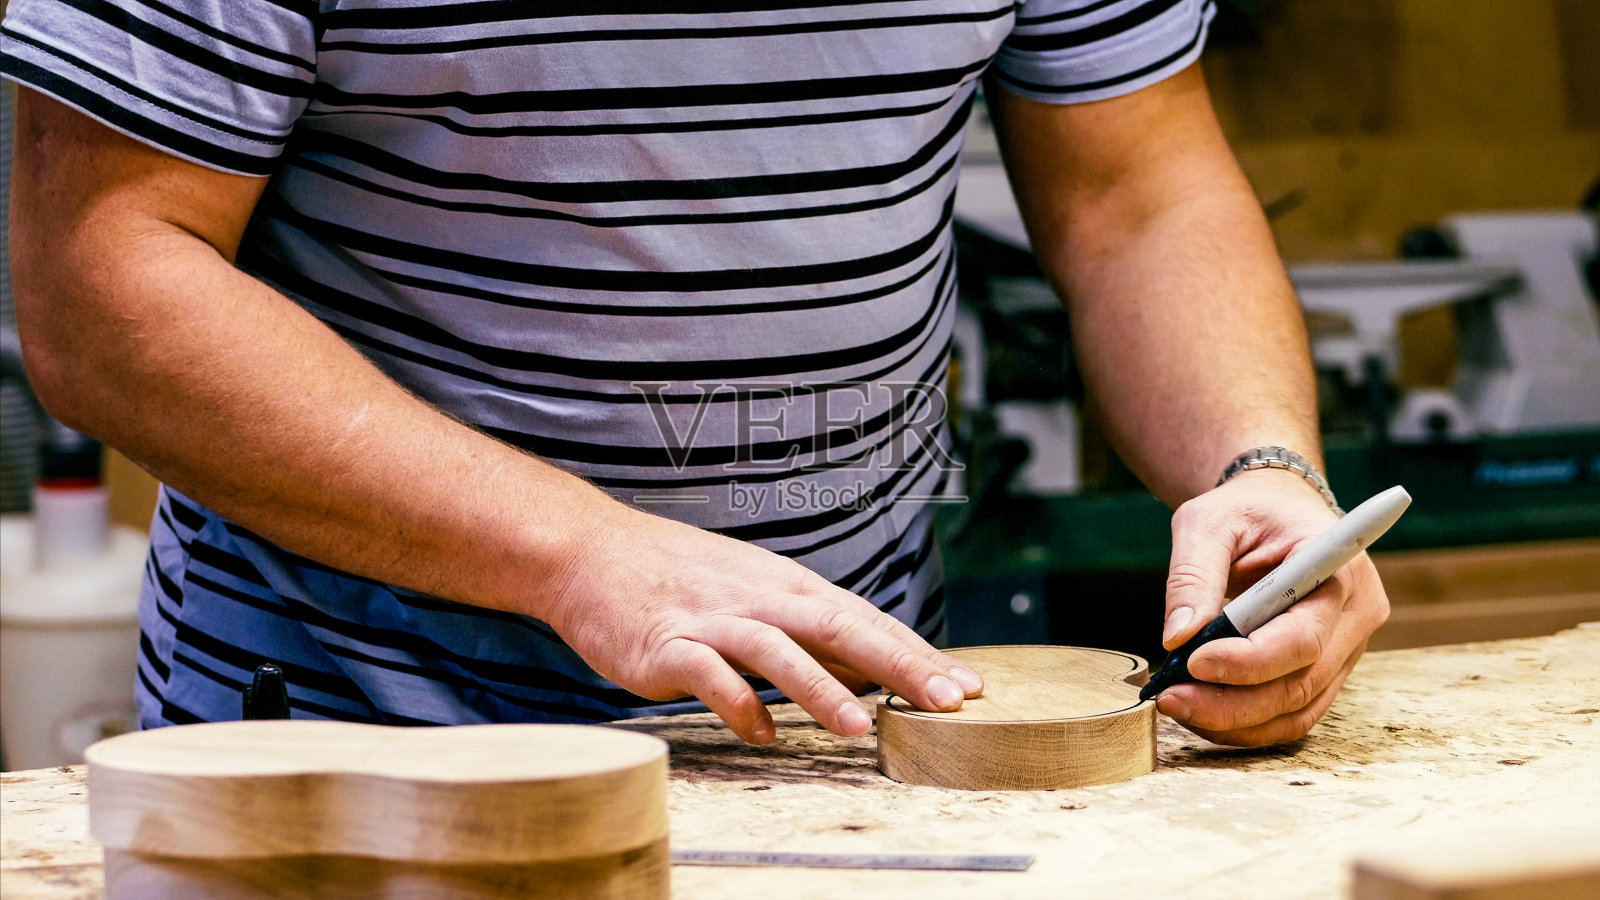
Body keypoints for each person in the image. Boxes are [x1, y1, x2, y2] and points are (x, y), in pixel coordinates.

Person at [2, 0, 1389, 748]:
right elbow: (101, 280)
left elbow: (1136, 195)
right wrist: (576, 554)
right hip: (353, 735)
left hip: (850, 741)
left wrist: (1261, 465)